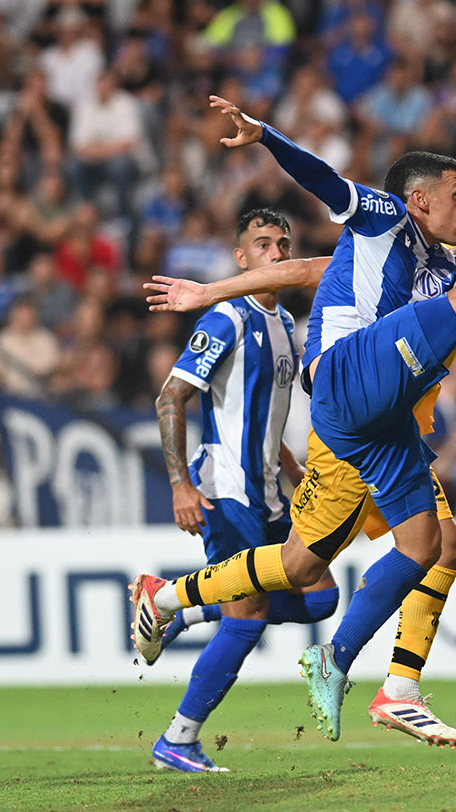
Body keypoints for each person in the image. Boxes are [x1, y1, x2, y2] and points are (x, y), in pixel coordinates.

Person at [132, 95, 456, 742]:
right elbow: (320, 179)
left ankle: (337, 662)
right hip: (345, 378)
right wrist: (266, 136)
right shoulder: (383, 218)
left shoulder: (445, 264)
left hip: (380, 417)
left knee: (417, 548)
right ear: (422, 200)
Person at [141, 207, 340, 772]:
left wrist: (288, 463)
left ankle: (180, 607)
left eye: (283, 243)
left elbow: (265, 411)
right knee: (248, 618)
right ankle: (178, 738)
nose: (276, 252)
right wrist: (181, 485)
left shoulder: (284, 325)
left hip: (271, 490)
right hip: (227, 490)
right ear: (241, 259)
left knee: (320, 595)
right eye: (263, 244)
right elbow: (169, 398)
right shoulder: (226, 317)